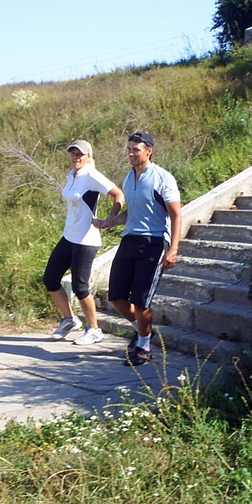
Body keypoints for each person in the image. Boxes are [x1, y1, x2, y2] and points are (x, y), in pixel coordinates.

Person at [94, 131, 181, 365]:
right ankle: (144, 331)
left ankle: (143, 347)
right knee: (117, 297)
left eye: (136, 149)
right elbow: (132, 212)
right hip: (129, 240)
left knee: (142, 302)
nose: (131, 153)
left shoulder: (162, 178)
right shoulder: (128, 177)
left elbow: (175, 214)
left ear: (149, 151)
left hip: (153, 242)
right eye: (129, 149)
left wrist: (173, 249)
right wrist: (110, 221)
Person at [43, 139, 124, 344]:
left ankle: (94, 330)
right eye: (73, 153)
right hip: (69, 236)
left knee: (80, 287)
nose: (76, 157)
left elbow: (118, 194)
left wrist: (110, 218)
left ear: (88, 157)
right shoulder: (72, 175)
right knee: (50, 279)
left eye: (80, 154)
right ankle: (69, 320)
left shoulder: (91, 175)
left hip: (86, 239)